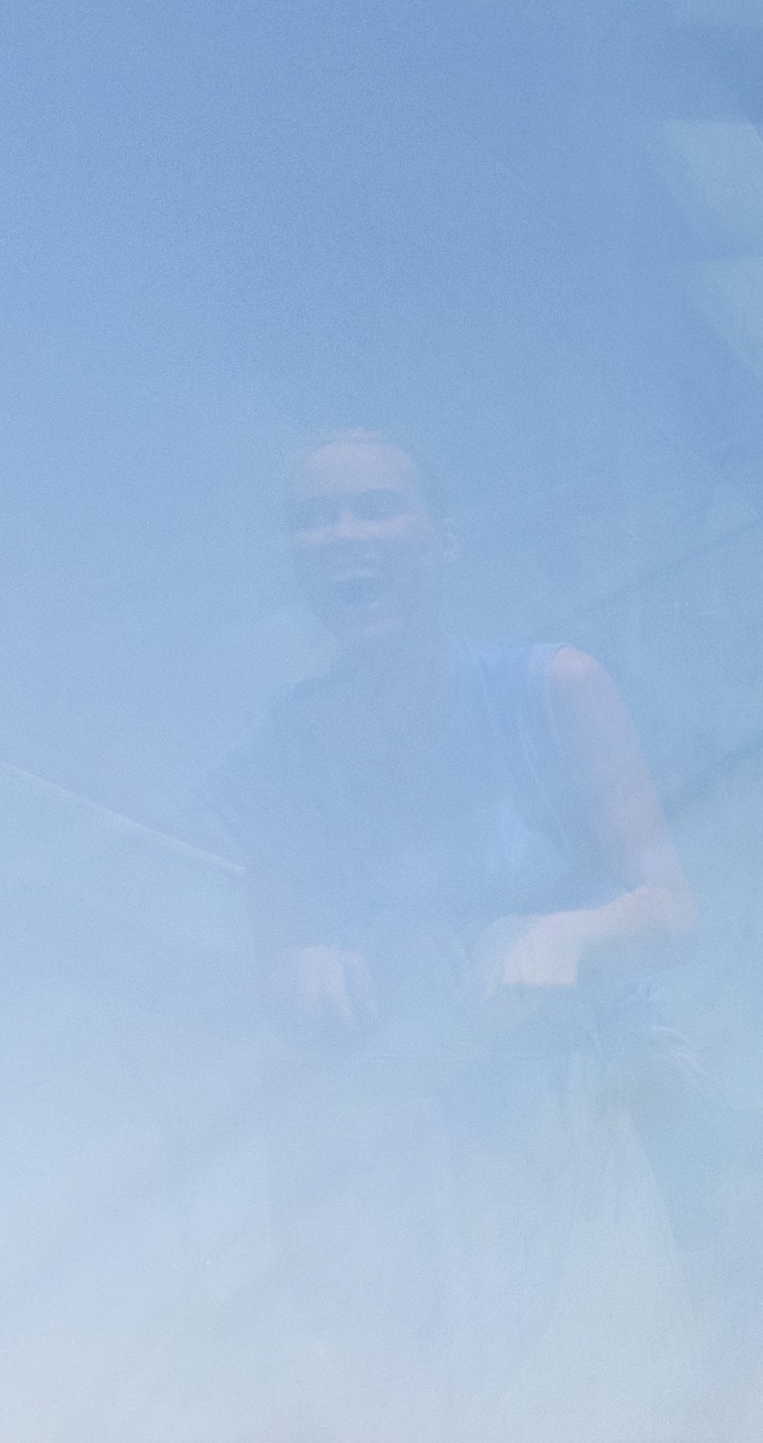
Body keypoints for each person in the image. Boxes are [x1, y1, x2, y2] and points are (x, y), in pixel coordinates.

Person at [203, 427, 688, 1032]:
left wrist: (569, 936)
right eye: (313, 518)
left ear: (444, 542)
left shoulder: (557, 691)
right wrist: (303, 969)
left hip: (607, 1089)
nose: (343, 534)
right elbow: (270, 971)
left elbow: (672, 914)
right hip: (409, 1103)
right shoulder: (274, 758)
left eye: (377, 509)